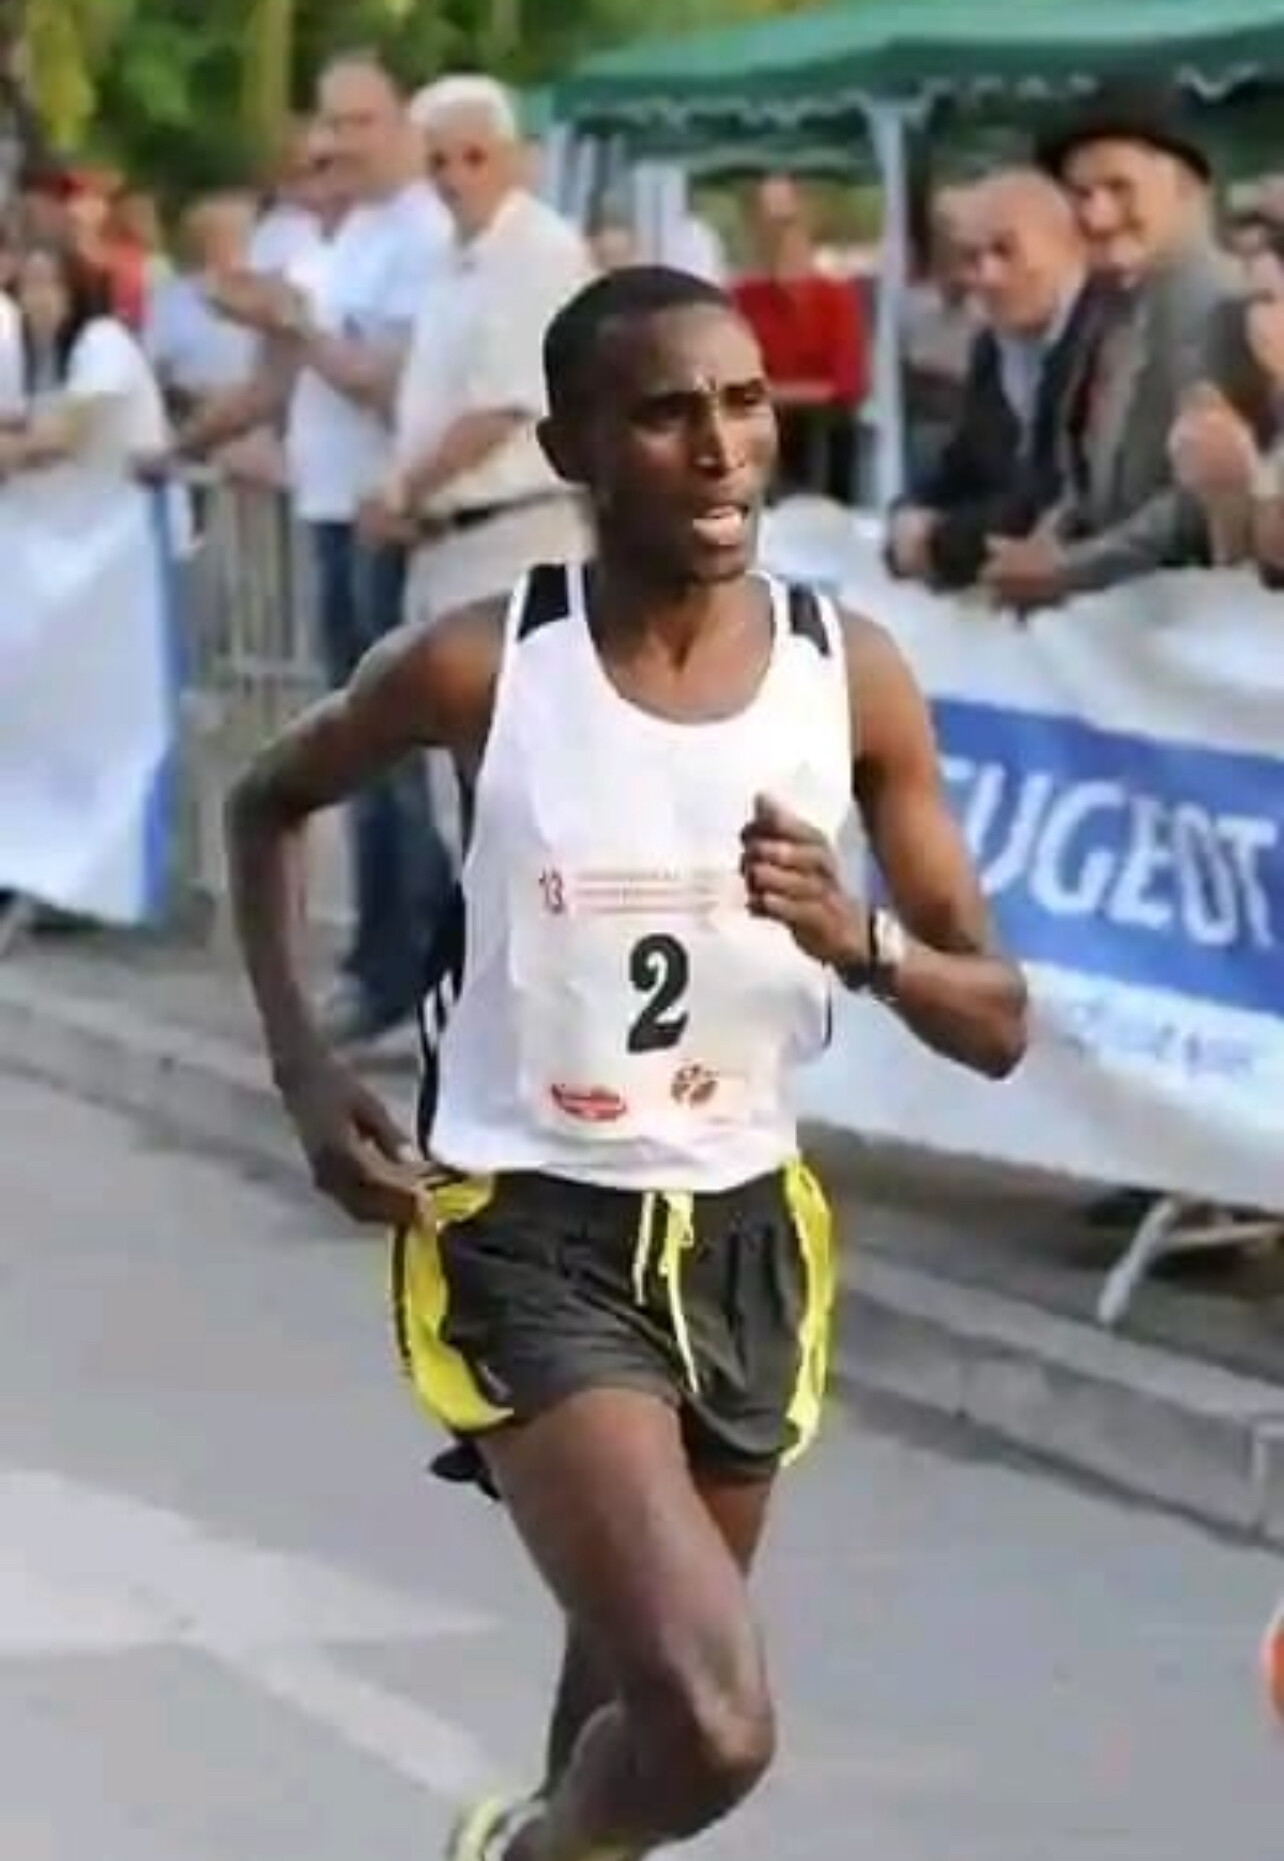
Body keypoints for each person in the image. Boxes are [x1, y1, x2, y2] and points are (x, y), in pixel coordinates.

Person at [224, 265, 1029, 1861]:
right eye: (667, 415)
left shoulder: (849, 672)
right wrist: (305, 1070)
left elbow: (996, 1018)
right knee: (714, 1722)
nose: (723, 450)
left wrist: (859, 937)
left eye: (745, 404)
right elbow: (266, 803)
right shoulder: (483, 665)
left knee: (627, 1719)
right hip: (530, 1225)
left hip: (742, 1233)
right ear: (572, 448)